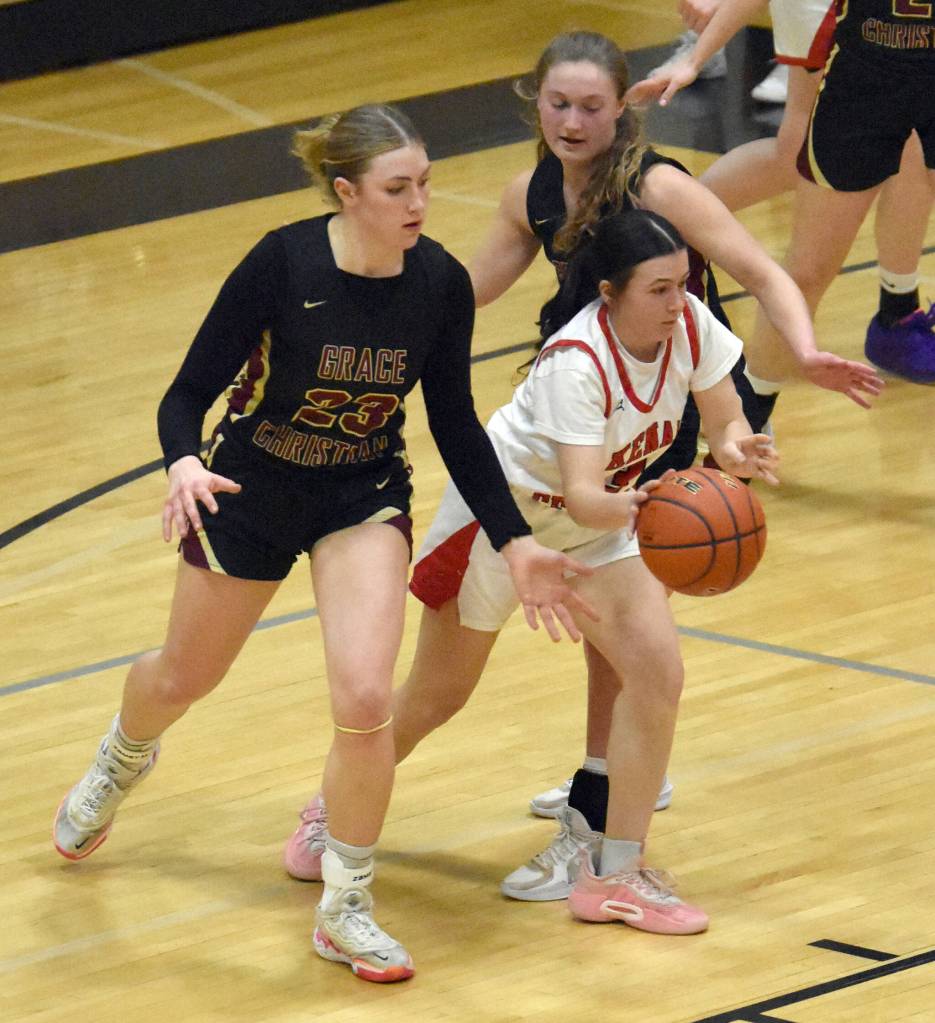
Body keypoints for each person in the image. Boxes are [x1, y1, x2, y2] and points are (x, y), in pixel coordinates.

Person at [284, 30, 882, 897]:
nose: (572, 121)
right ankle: (346, 804)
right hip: (560, 438)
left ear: (622, 107)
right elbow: (464, 290)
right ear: (535, 102)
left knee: (636, 654)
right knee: (444, 688)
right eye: (557, 104)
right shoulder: (533, 195)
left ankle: (599, 811)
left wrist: (797, 350)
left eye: (592, 106)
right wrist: (359, 310)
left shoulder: (659, 187)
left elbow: (759, 268)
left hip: (657, 413)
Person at [51, 103, 599, 985]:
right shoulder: (284, 261)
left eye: (423, 181)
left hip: (360, 496)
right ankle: (122, 754)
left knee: (363, 696)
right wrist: (183, 462)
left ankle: (344, 903)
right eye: (397, 187)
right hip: (251, 491)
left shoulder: (440, 284)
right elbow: (187, 391)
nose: (419, 201)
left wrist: (517, 540)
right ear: (347, 193)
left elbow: (454, 424)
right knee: (182, 678)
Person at [287, 209, 780, 933]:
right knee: (436, 696)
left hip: (606, 520)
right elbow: (582, 491)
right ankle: (330, 812)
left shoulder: (692, 325)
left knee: (657, 673)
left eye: (682, 284)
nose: (678, 302)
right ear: (609, 292)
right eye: (659, 289)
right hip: (506, 519)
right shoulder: (576, 362)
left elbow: (725, 417)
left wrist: (735, 452)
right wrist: (649, 506)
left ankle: (614, 872)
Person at [629, 0, 935, 387]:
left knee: (904, 153)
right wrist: (699, 49)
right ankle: (661, 227)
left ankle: (899, 309)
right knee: (800, 159)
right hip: (855, 43)